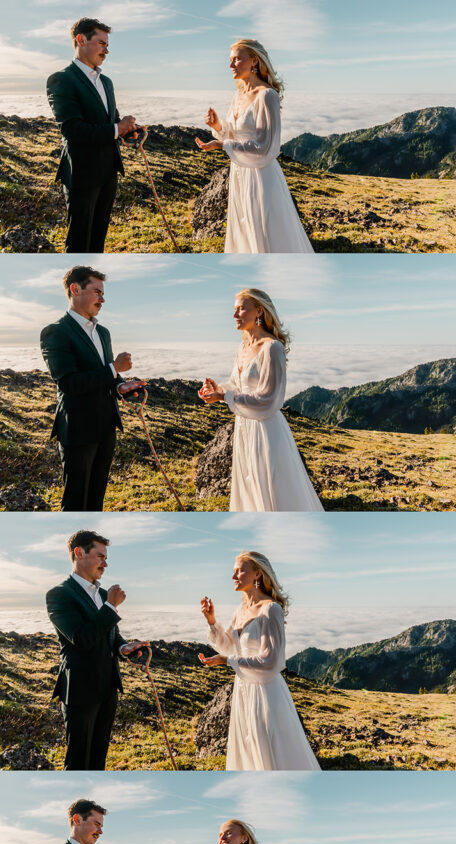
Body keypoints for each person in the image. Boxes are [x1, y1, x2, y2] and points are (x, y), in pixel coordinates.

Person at [198, 288, 323, 511]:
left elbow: (269, 398)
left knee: (272, 488)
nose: (235, 315)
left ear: (258, 311)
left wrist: (224, 396)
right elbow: (237, 385)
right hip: (244, 427)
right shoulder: (242, 348)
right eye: (234, 310)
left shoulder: (272, 348)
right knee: (249, 486)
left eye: (240, 309)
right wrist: (218, 389)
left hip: (266, 431)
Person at [199, 550, 320, 771]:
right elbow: (228, 645)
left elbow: (272, 661)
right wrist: (211, 621)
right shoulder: (241, 610)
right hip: (243, 690)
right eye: (233, 571)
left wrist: (228, 661)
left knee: (269, 750)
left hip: (266, 694)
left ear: (257, 573)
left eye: (239, 571)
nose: (233, 576)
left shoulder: (271, 609)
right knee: (247, 750)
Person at [41, 265, 145, 511]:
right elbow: (68, 383)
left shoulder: (103, 333)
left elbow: (107, 376)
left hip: (107, 426)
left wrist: (121, 385)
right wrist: (114, 369)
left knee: (97, 499)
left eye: (103, 292)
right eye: (96, 291)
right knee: (76, 501)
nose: (102, 298)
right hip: (77, 429)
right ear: (75, 289)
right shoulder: (55, 332)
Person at [196, 38, 313, 253]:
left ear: (254, 61)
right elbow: (234, 132)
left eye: (237, 59)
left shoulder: (267, 96)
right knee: (244, 229)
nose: (231, 66)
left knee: (265, 231)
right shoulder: (237, 95)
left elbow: (266, 146)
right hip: (240, 173)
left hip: (262, 177)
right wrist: (218, 125)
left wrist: (223, 145)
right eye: (230, 60)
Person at [45, 529, 149, 770]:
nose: (105, 563)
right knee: (79, 760)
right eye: (100, 556)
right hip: (80, 690)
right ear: (79, 553)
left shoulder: (102, 594)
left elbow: (110, 635)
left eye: (106, 557)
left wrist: (124, 647)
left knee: (99, 757)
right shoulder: (59, 595)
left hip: (108, 687)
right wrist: (111, 606)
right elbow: (80, 639)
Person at [46, 17, 140, 252]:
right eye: (101, 43)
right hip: (81, 174)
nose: (106, 51)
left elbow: (112, 122)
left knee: (98, 240)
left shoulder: (106, 82)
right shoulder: (61, 79)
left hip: (109, 171)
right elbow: (72, 129)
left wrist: (129, 132)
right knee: (79, 241)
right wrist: (117, 129)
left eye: (107, 45)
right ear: (81, 40)